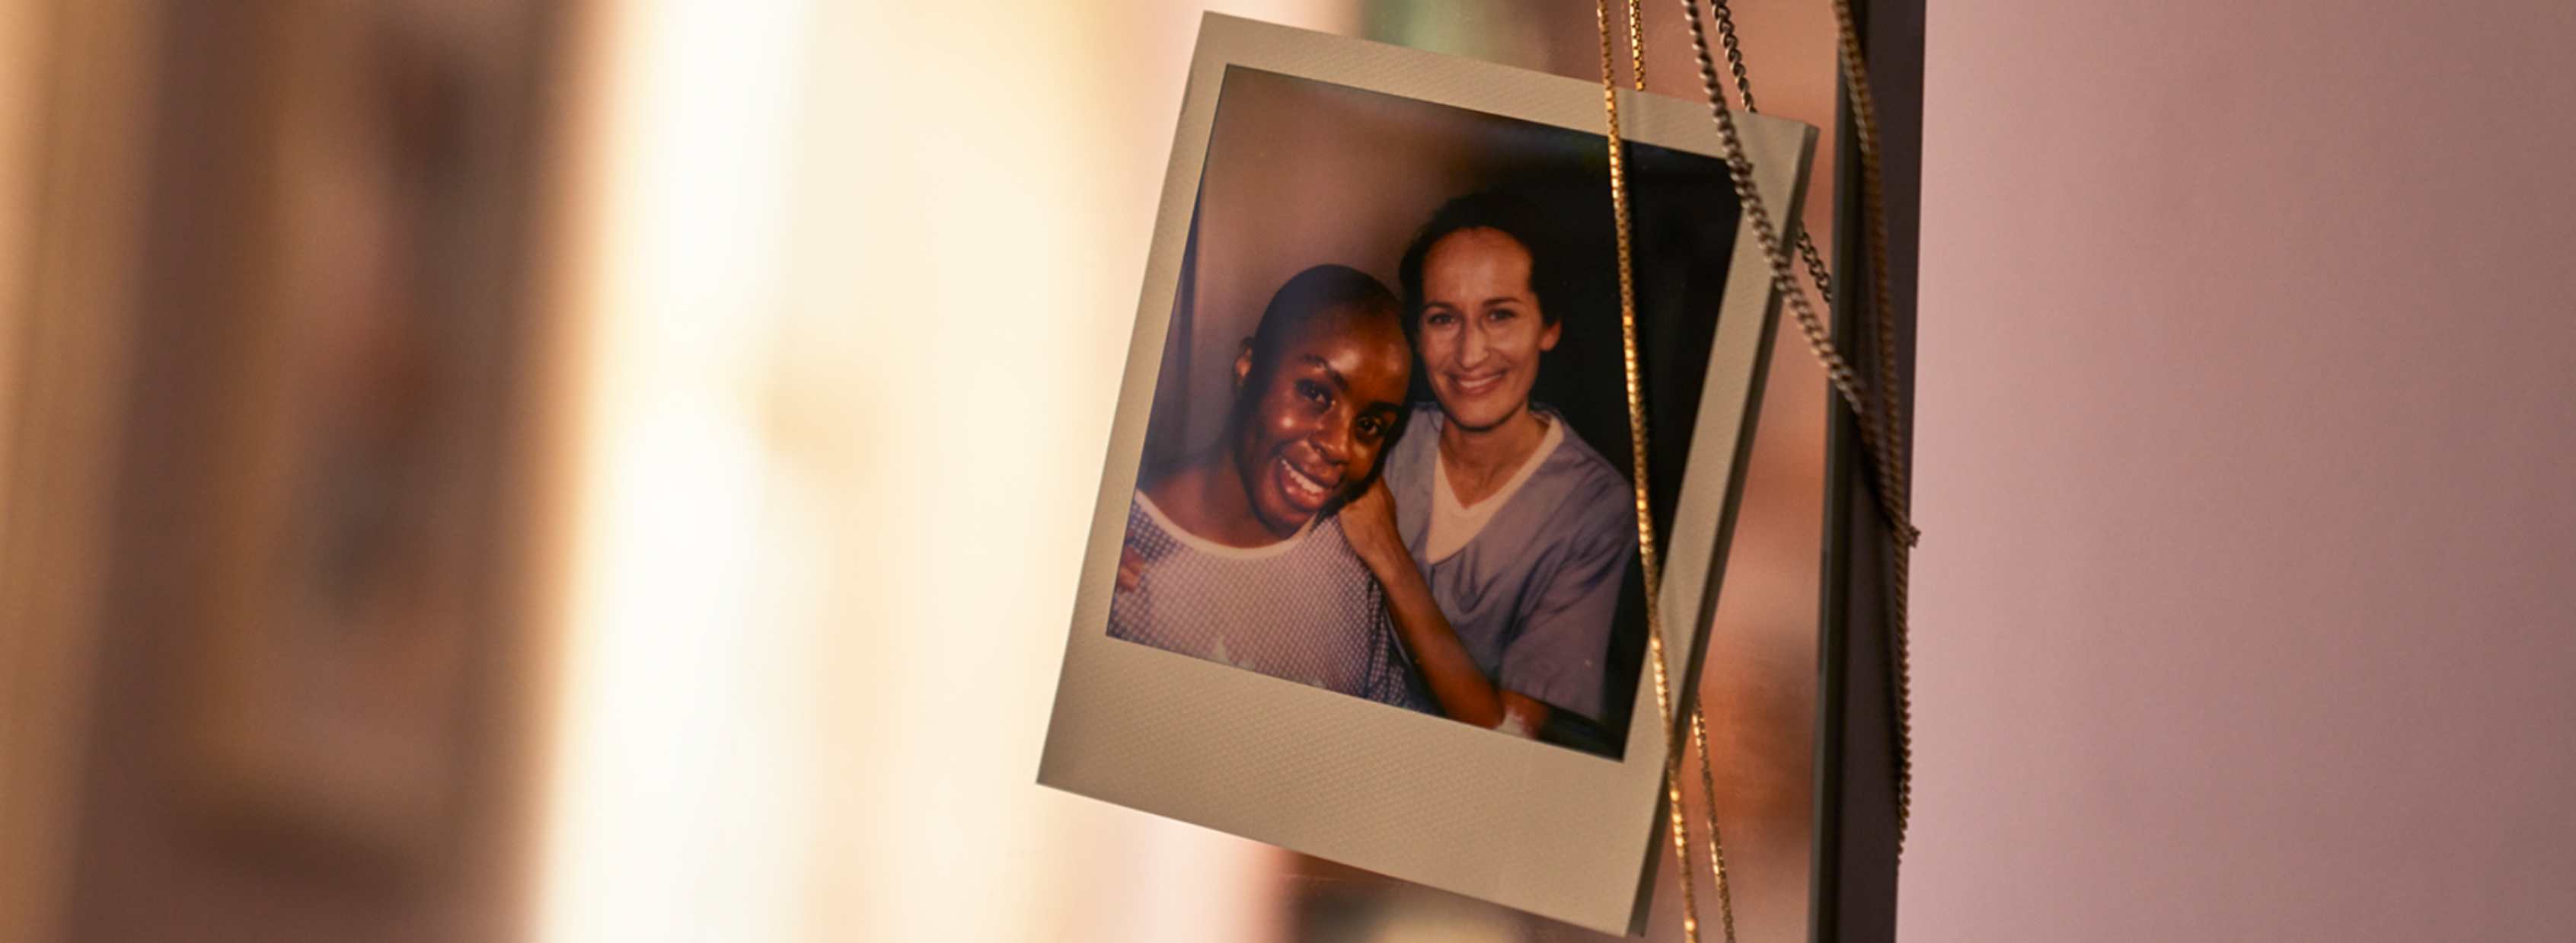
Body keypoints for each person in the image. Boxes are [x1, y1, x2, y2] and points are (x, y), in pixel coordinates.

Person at [1341, 192, 1636, 739]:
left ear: (1549, 327)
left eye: (1499, 315)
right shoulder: (1382, 435)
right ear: (1417, 335)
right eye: (1443, 319)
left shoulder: (1597, 507)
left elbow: (1507, 734)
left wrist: (1388, 554)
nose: (1470, 353)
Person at [1107, 264, 1427, 709]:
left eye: (1370, 424)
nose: (1340, 446)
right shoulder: (1112, 558)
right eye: (1315, 392)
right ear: (1248, 366)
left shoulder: (1349, 555)